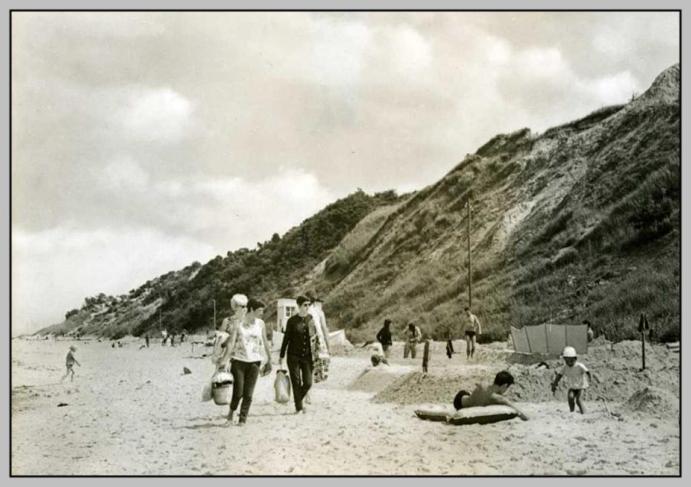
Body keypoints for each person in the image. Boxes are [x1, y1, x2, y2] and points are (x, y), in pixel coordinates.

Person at [222, 298, 272, 426]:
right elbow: (231, 342)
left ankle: (242, 419)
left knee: (248, 394)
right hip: (238, 361)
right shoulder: (238, 323)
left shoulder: (261, 324)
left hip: (255, 362)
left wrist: (270, 360)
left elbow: (265, 342)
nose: (262, 313)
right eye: (259, 311)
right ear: (251, 309)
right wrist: (224, 360)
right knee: (238, 392)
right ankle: (231, 413)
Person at [280, 295, 317, 414]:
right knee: (296, 382)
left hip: (307, 356)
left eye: (308, 305)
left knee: (308, 383)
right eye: (305, 305)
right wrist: (281, 355)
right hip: (293, 356)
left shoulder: (310, 318)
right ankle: (299, 407)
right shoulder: (291, 321)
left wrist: (319, 353)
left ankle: (297, 401)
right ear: (299, 306)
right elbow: (286, 339)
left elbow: (314, 337)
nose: (307, 307)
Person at [453, 370, 529, 421]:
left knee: (470, 394)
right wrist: (526, 418)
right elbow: (517, 411)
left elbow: (478, 385)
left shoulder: (484, 383)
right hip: (462, 402)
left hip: (460, 400)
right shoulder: (498, 398)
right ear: (505, 385)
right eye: (507, 388)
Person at [213, 294, 249, 372]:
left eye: (245, 306)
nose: (245, 308)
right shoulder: (227, 321)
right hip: (229, 356)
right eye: (242, 306)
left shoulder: (249, 322)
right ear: (235, 307)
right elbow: (221, 340)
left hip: (245, 357)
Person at [551, 346, 592, 414]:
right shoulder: (565, 368)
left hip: (581, 386)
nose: (568, 363)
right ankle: (572, 412)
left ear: (575, 359)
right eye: (566, 361)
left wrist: (590, 380)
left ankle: (584, 413)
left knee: (578, 400)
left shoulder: (579, 366)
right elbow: (559, 375)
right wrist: (554, 384)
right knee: (570, 397)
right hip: (573, 386)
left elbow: (587, 372)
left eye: (570, 361)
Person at [309, 295, 331, 384]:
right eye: (321, 303)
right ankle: (316, 377)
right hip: (317, 341)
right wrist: (329, 347)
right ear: (316, 302)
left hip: (308, 341)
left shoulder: (303, 311)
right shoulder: (319, 312)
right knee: (319, 362)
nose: (321, 305)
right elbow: (324, 329)